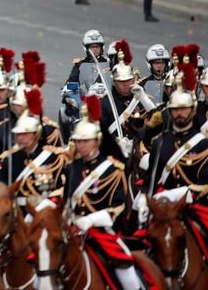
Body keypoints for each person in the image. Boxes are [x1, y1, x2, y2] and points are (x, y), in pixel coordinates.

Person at [144, 68, 208, 288]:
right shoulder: (160, 143)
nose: (180, 114)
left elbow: (207, 183)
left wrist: (178, 194)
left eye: (184, 109)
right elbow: (152, 181)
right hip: (163, 208)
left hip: (197, 205)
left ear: (192, 111)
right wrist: (148, 202)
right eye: (175, 110)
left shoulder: (206, 143)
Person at [64, 103, 142, 289]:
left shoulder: (113, 170)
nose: (81, 146)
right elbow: (65, 201)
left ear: (97, 141)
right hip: (72, 232)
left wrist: (90, 220)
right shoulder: (71, 168)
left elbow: (117, 208)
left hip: (101, 233)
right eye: (78, 141)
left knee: (128, 275)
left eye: (86, 141)